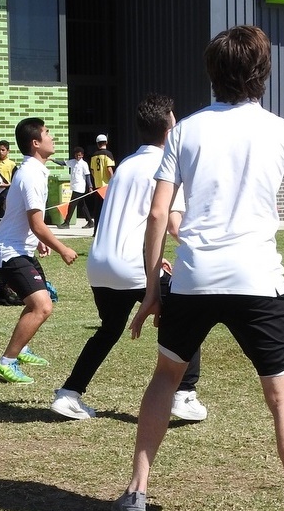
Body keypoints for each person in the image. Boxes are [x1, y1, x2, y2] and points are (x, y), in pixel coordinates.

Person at [111, 26, 284, 511]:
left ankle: (136, 494)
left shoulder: (185, 131)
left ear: (212, 73)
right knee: (283, 396)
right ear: (263, 71)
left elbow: (159, 213)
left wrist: (150, 291)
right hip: (259, 281)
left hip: (193, 279)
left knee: (166, 377)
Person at [51, 95, 207, 422]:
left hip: (100, 265)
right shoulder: (166, 166)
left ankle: (69, 393)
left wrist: (155, 258)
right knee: (189, 313)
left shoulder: (124, 164)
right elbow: (170, 222)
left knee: (109, 330)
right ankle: (184, 393)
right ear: (169, 131)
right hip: (133, 266)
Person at [0, 118, 78, 384]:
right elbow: (37, 223)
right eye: (47, 133)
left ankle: (21, 349)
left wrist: (37, 239)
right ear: (35, 143)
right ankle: (5, 362)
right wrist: (62, 248)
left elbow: (24, 217)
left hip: (19, 248)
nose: (51, 137)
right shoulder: (31, 174)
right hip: (9, 252)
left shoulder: (35, 170)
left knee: (37, 302)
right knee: (42, 306)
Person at [51, 146, 94, 229]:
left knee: (72, 205)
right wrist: (53, 160)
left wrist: (90, 186)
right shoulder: (72, 162)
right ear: (75, 155)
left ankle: (67, 223)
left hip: (80, 187)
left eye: (80, 155)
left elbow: (88, 176)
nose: (78, 157)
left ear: (82, 155)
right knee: (82, 205)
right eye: (77, 155)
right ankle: (90, 221)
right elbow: (63, 163)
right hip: (74, 186)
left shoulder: (84, 164)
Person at [89, 134, 115, 232]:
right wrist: (113, 180)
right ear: (106, 142)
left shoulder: (94, 155)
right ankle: (106, 230)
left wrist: (97, 179)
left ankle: (96, 230)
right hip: (106, 185)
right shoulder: (108, 154)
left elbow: (92, 171)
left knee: (98, 209)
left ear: (97, 143)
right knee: (107, 209)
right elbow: (109, 169)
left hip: (98, 185)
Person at [0, 139, 17, 228]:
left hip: (6, 192)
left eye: (3, 150)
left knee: (3, 211)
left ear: (8, 151)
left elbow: (15, 180)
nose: (1, 152)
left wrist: (6, 185)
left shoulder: (12, 164)